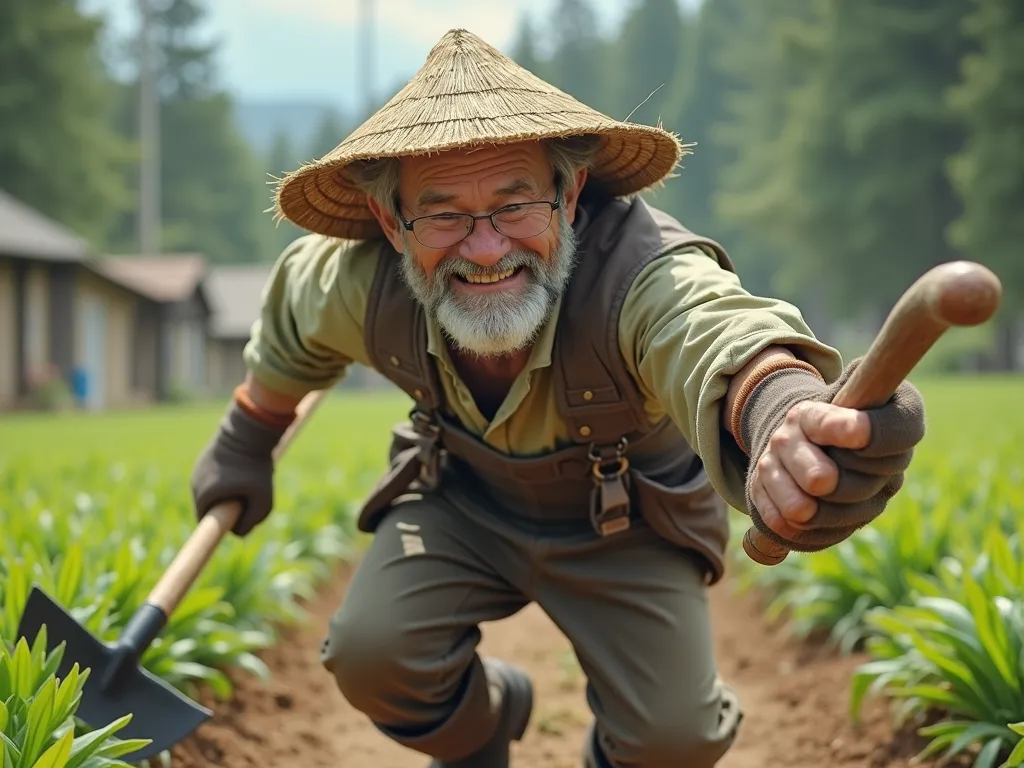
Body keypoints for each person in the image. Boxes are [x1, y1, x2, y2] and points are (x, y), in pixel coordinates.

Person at [190, 28, 925, 768]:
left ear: (569, 194)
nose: (484, 250)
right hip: (460, 502)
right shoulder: (357, 282)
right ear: (391, 222)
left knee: (674, 741)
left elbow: (713, 333)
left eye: (514, 207)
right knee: (371, 653)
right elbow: (290, 331)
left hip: (628, 522)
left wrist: (778, 414)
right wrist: (247, 440)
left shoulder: (640, 274)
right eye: (444, 216)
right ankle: (486, 726)